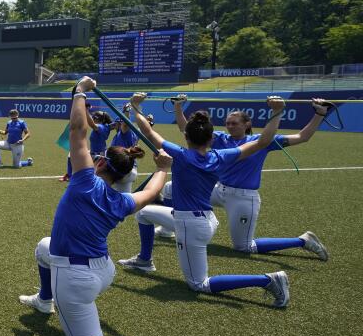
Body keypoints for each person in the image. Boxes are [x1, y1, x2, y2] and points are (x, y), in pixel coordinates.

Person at [18, 76, 215, 336]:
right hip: (103, 271)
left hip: (76, 277)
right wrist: (164, 168)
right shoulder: (123, 201)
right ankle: (43, 300)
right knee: (43, 246)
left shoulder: (83, 183)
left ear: (99, 164)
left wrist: (80, 91)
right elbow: (152, 192)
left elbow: (78, 132)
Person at [117, 93, 292, 308]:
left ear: (186, 137)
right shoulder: (219, 156)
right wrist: (277, 112)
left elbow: (147, 130)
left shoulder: (180, 155)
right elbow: (264, 141)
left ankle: (267, 280)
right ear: (211, 139)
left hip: (192, 226)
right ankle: (144, 260)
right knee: (144, 214)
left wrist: (135, 106)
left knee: (199, 284)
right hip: (204, 220)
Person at [173, 94, 330, 260]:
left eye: (234, 123)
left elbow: (302, 137)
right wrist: (178, 107)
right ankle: (169, 228)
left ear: (247, 124)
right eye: (228, 123)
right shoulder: (219, 138)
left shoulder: (261, 140)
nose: (230, 126)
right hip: (219, 190)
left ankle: (303, 241)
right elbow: (186, 129)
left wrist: (319, 113)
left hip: (243, 198)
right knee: (171, 188)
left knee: (243, 246)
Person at [61, 109, 111, 181]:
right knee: (71, 154)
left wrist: (85, 111)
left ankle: (73, 176)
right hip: (93, 153)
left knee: (92, 177)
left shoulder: (101, 127)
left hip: (98, 156)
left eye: (94, 118)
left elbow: (92, 124)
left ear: (99, 119)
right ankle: (69, 175)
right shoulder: (103, 126)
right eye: (93, 117)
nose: (92, 119)